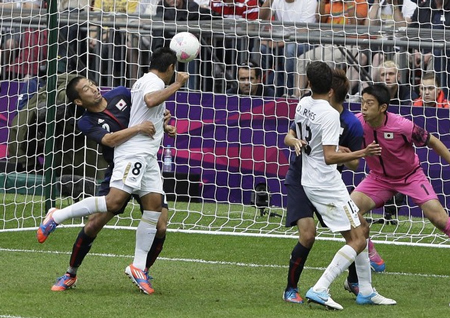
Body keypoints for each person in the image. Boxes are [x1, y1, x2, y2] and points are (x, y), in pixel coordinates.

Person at [38, 47, 189, 295]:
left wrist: (163, 123)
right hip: (121, 164)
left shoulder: (121, 93)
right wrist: (139, 128)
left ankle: (141, 269)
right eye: (86, 89)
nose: (93, 89)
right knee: (95, 223)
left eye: (92, 84)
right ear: (78, 101)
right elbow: (109, 140)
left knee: (160, 223)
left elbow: (146, 106)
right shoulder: (85, 121)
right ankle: (70, 272)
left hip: (145, 157)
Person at [295, 61, 395, 310]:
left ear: (308, 83)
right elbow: (329, 156)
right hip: (326, 184)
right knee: (359, 238)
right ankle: (320, 288)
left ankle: (367, 291)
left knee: (361, 229)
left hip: (313, 179)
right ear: (330, 87)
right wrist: (361, 152)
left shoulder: (302, 104)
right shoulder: (329, 114)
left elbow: (311, 144)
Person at [283, 68, 363, 303]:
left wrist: (344, 153)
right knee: (308, 235)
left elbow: (355, 164)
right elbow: (290, 135)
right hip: (301, 177)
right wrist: (295, 141)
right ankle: (290, 289)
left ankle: (355, 281)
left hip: (326, 183)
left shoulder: (350, 124)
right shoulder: (308, 106)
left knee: (358, 231)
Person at [350, 84, 450, 265]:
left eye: (369, 103)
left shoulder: (402, 125)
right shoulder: (356, 124)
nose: (364, 107)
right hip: (378, 178)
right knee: (349, 212)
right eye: (363, 102)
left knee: (440, 220)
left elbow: (433, 142)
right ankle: (372, 255)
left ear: (383, 108)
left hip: (411, 177)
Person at [295, 0, 369, 98]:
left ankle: (310, 94)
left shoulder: (361, 3)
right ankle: (296, 96)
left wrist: (349, 3)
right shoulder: (332, 3)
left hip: (351, 44)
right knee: (303, 58)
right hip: (330, 43)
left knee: (326, 61)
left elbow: (355, 23)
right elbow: (320, 18)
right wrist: (322, 2)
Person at [258, 0, 317, 97]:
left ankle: (290, 93)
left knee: (289, 50)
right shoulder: (276, 1)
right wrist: (269, 1)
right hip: (280, 41)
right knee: (262, 49)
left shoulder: (310, 1)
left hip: (305, 42)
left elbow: (304, 31)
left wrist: (279, 43)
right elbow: (262, 18)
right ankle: (265, 91)